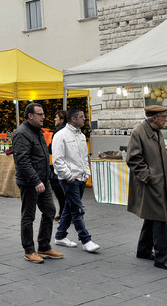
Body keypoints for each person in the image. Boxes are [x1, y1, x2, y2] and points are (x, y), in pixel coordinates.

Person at [127, 105, 167, 271]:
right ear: (154, 118)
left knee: (152, 216)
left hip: (159, 181)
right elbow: (133, 159)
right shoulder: (139, 132)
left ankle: (143, 250)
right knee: (159, 218)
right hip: (150, 183)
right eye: (163, 116)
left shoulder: (157, 131)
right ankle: (162, 257)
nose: (165, 119)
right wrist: (148, 177)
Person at [13, 103, 62, 264]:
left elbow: (41, 155)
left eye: (43, 114)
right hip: (30, 182)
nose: (43, 117)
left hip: (43, 180)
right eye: (40, 114)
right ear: (30, 116)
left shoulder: (38, 132)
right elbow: (22, 161)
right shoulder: (22, 133)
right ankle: (29, 250)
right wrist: (35, 180)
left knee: (49, 211)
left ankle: (44, 246)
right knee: (28, 215)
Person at [51, 108, 99, 253]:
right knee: (77, 209)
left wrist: (86, 172)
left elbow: (84, 156)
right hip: (69, 179)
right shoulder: (61, 135)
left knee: (69, 206)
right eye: (81, 117)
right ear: (73, 119)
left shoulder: (82, 136)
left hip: (81, 177)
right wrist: (68, 175)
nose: (84, 119)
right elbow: (57, 159)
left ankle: (60, 235)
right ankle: (85, 239)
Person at [50, 110, 68, 221]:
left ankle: (65, 215)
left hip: (60, 167)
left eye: (56, 117)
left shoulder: (59, 131)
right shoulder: (66, 130)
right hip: (65, 166)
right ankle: (62, 213)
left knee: (60, 193)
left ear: (62, 119)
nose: (54, 119)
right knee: (62, 194)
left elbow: (53, 147)